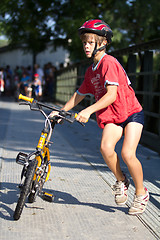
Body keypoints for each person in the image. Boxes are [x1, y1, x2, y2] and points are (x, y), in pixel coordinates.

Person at [50, 19, 149, 215]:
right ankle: (121, 180)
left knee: (128, 154)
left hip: (131, 113)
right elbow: (79, 94)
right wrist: (61, 110)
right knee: (105, 148)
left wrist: (88, 111)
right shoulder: (91, 71)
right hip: (114, 116)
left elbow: (112, 95)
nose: (86, 46)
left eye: (90, 42)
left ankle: (141, 192)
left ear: (102, 43)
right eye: (84, 42)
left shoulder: (109, 63)